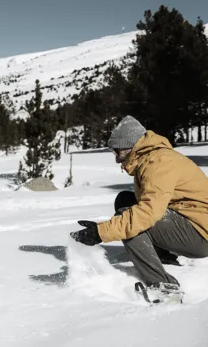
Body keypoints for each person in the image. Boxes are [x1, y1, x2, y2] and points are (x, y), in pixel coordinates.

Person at [70, 115, 208, 303]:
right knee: (125, 200)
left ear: (130, 147)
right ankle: (163, 256)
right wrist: (104, 227)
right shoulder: (150, 158)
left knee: (129, 217)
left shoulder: (158, 163)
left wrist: (101, 232)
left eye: (117, 151)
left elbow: (147, 214)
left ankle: (165, 287)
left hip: (200, 235)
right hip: (190, 223)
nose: (116, 158)